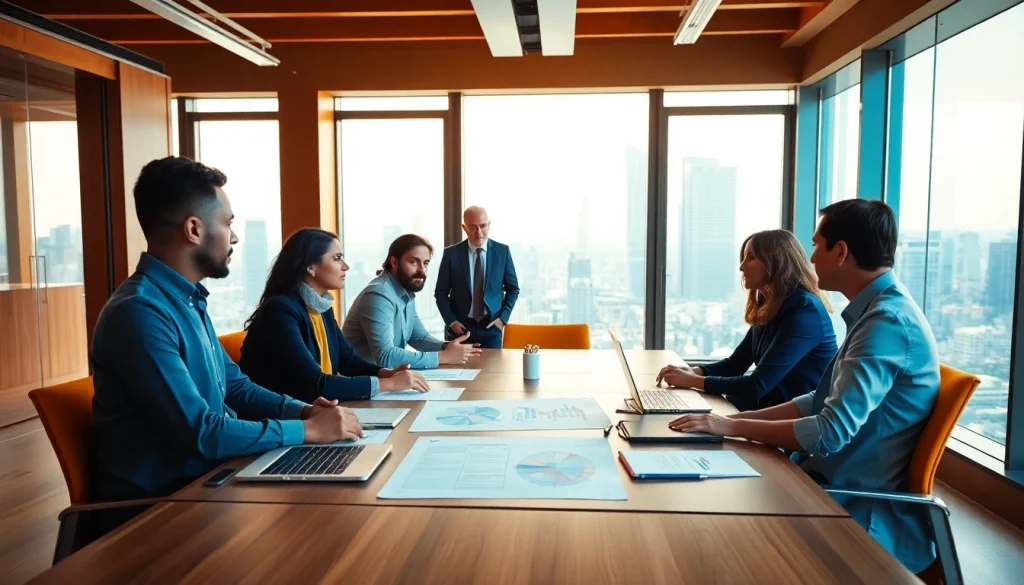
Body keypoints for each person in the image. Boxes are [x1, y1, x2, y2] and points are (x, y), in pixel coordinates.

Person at [668, 199, 940, 574]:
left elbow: (828, 432)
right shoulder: (876, 312)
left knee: (705, 535)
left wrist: (734, 426)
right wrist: (733, 423)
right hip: (821, 477)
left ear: (840, 252)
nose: (810, 258)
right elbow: (817, 399)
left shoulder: (886, 324)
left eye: (816, 245)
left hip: (853, 506)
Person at [90, 157, 364, 507]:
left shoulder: (188, 300)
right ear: (194, 229)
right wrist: (308, 431)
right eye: (227, 223)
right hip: (165, 506)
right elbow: (202, 432)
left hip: (216, 478)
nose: (233, 236)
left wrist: (304, 412)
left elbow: (235, 386)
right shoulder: (140, 312)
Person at [240, 228, 430, 402]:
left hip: (316, 411)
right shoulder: (280, 311)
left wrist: (386, 374)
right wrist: (391, 385)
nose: (345, 266)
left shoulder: (321, 306)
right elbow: (317, 384)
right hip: (279, 420)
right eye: (337, 258)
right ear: (311, 267)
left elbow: (348, 362)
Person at [656, 230, 837, 411]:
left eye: (750, 258)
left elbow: (757, 385)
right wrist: (692, 372)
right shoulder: (770, 304)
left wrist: (693, 381)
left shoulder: (804, 310)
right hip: (765, 412)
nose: (742, 267)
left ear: (777, 262)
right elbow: (735, 364)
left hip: (794, 421)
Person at [342, 234, 481, 369]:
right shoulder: (379, 294)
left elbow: (418, 338)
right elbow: (386, 356)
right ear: (394, 262)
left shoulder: (404, 291)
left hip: (385, 380)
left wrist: (447, 347)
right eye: (413, 262)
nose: (421, 269)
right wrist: (442, 357)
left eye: (425, 263)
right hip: (361, 385)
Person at [434, 206, 520, 349]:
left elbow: (513, 289)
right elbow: (440, 293)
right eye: (473, 227)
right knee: (460, 371)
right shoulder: (451, 254)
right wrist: (452, 322)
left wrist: (502, 319)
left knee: (493, 371)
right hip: (460, 329)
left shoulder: (502, 252)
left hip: (492, 327)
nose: (479, 232)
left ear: (489, 225)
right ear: (464, 228)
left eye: (483, 226)